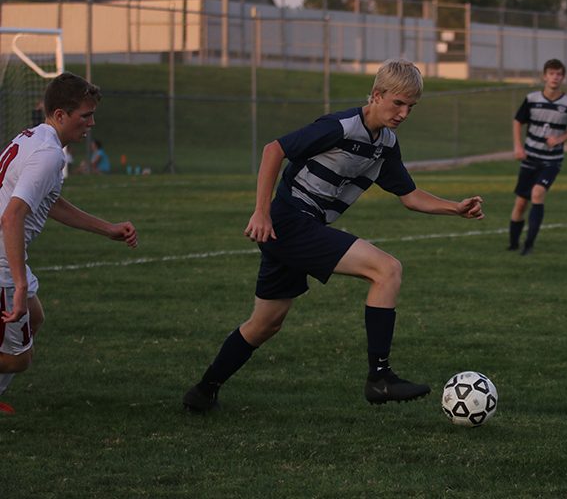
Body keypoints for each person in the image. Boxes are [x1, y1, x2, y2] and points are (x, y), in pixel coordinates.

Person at [182, 58, 484, 413]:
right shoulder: (341, 126)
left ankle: (203, 391)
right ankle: (380, 377)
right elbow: (273, 150)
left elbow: (410, 196)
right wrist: (261, 211)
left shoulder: (386, 143)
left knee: (265, 324)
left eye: (410, 107)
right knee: (386, 269)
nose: (403, 113)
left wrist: (456, 208)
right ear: (376, 95)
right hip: (291, 221)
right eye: (397, 103)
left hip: (298, 228)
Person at [0, 72, 138, 406]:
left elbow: (48, 202)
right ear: (60, 115)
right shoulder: (50, 155)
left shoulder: (33, 137)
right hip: (1, 261)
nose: (91, 123)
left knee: (35, 317)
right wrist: (18, 284)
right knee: (19, 359)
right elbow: (13, 215)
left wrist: (107, 228)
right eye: (85, 116)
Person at [507, 58, 567, 256]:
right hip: (530, 157)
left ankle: (528, 245)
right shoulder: (532, 99)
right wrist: (517, 146)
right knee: (521, 203)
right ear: (544, 76)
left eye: (558, 74)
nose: (555, 78)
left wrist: (560, 139)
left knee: (538, 193)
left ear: (563, 77)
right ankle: (513, 243)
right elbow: (517, 121)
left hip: (552, 160)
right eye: (551, 73)